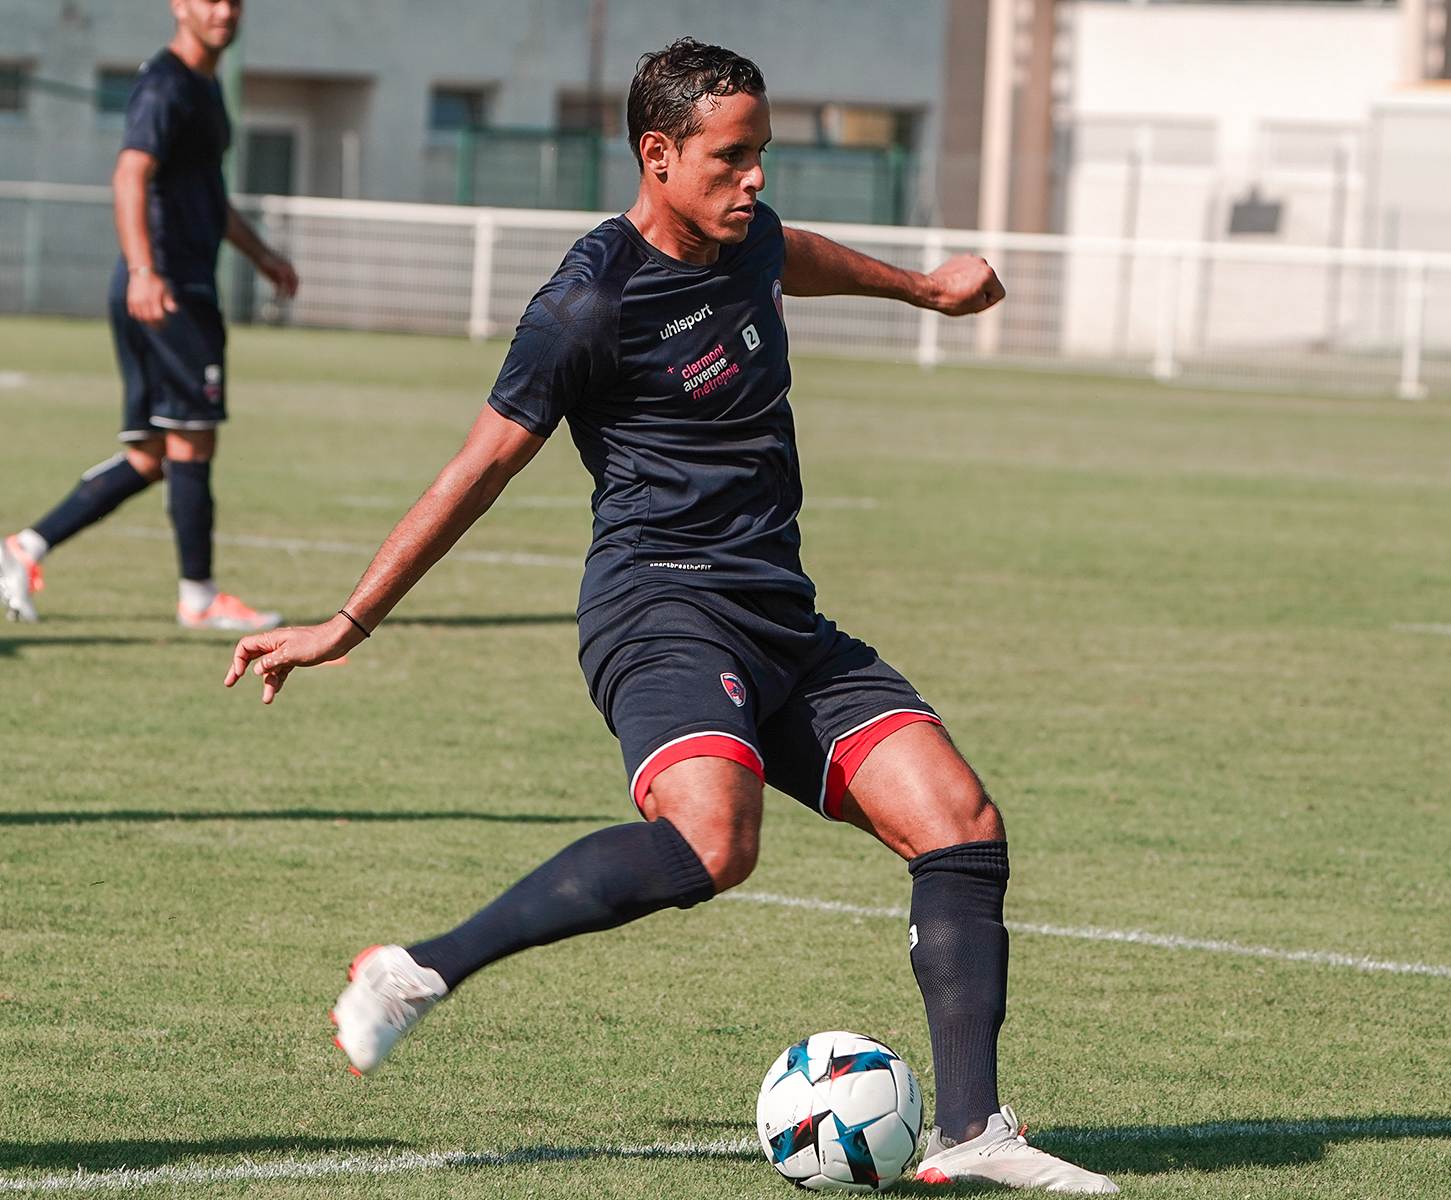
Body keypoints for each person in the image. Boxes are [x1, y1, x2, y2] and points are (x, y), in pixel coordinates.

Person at [223, 39, 1117, 1195]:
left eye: (761, 156)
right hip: (659, 604)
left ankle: (970, 1133)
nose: (754, 180)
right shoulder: (587, 303)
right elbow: (477, 468)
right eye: (730, 159)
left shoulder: (744, 236)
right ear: (658, 155)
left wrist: (922, 290)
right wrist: (348, 620)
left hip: (775, 609)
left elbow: (789, 253)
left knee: (958, 820)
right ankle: (415, 972)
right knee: (715, 841)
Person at [0, 0, 296, 630]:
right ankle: (199, 597)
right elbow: (129, 174)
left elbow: (209, 200)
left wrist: (264, 256)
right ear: (179, 6)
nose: (224, 11)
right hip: (164, 289)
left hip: (167, 285)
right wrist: (143, 270)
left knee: (152, 453)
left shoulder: (206, 86)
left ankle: (25, 547)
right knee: (193, 437)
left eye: (234, 1)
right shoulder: (165, 83)